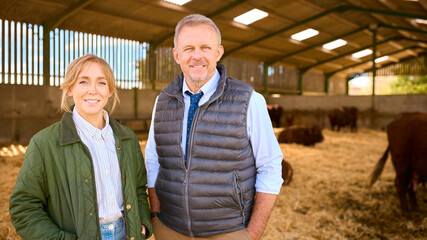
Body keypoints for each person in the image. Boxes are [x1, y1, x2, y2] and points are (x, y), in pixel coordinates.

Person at [145, 14, 283, 240]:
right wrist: (155, 216)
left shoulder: (248, 100)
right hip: (170, 229)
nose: (197, 56)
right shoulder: (162, 101)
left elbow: (270, 167)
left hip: (228, 232)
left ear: (218, 52)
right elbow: (153, 161)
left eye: (205, 48)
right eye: (188, 48)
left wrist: (253, 233)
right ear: (176, 55)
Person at [9, 54, 153, 240]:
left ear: (110, 90)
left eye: (101, 83)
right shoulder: (44, 143)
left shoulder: (128, 139)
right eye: (83, 82)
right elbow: (24, 207)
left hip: (127, 233)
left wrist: (141, 226)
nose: (93, 90)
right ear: (70, 88)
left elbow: (139, 189)